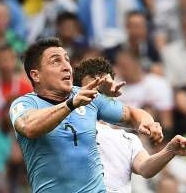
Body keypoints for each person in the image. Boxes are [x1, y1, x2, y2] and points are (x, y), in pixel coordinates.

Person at [9, 37, 164, 192]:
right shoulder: (24, 104)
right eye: (56, 61)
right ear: (36, 75)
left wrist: (147, 122)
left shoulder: (86, 96)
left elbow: (131, 114)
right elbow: (29, 127)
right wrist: (70, 104)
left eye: (67, 59)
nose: (67, 67)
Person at [74, 55, 186, 192]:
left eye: (104, 84)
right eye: (93, 85)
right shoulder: (69, 126)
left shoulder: (127, 139)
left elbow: (145, 168)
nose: (98, 91)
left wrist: (170, 151)